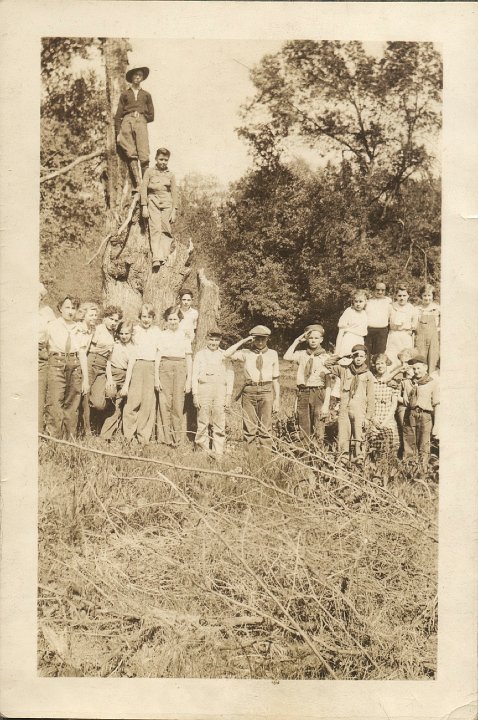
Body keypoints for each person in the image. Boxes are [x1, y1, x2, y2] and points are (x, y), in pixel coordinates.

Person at [224, 326, 280, 448]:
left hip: (266, 390)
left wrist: (277, 399)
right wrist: (243, 341)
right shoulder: (246, 353)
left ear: (267, 339)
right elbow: (226, 354)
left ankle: (265, 459)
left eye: (263, 339)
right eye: (257, 339)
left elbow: (276, 379)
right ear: (252, 340)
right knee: (249, 427)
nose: (260, 342)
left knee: (265, 427)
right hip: (249, 391)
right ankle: (250, 460)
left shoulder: (273, 354)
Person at [45, 296, 89, 438]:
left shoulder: (79, 328)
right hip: (56, 363)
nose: (70, 311)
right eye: (67, 307)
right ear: (60, 308)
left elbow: (82, 353)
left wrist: (86, 380)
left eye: (73, 308)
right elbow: (44, 345)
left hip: (74, 364)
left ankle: (70, 439)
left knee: (72, 403)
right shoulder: (52, 325)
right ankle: (54, 439)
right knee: (55, 402)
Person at [283, 324, 331, 445]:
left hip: (318, 393)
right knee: (303, 423)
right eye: (311, 338)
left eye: (316, 338)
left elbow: (329, 383)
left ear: (321, 340)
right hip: (303, 392)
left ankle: (318, 454)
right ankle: (305, 455)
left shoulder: (326, 357)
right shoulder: (301, 354)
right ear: (307, 339)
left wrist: (326, 404)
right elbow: (286, 357)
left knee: (319, 424)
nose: (313, 340)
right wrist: (296, 341)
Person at [327, 345, 375, 461]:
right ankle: (343, 459)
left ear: (365, 358)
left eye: (361, 356)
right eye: (356, 355)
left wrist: (368, 417)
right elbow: (327, 364)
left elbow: (371, 397)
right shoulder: (344, 370)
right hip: (345, 408)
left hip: (360, 410)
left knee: (359, 435)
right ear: (352, 356)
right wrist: (342, 356)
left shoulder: (368, 375)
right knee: (343, 434)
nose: (358, 358)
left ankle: (358, 459)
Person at [122, 304, 161, 445]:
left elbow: (158, 354)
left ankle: (143, 437)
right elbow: (131, 353)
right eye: (144, 316)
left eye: (149, 317)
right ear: (140, 317)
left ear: (153, 318)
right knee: (133, 401)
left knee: (147, 404)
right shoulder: (135, 331)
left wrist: (156, 377)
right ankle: (128, 436)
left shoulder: (157, 332)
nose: (146, 320)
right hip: (137, 365)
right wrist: (127, 382)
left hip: (151, 366)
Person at [192, 330, 234, 457]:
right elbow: (194, 375)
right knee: (203, 420)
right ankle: (202, 449)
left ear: (220, 340)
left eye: (216, 340)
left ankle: (218, 451)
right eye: (211, 340)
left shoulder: (225, 355)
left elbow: (230, 375)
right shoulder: (200, 355)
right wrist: (195, 394)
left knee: (219, 420)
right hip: (204, 388)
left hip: (220, 389)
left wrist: (228, 395)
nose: (213, 343)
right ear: (206, 339)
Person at [156, 306, 193, 447]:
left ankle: (177, 439)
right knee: (164, 402)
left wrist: (188, 380)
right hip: (164, 367)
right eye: (170, 319)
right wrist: (156, 378)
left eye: (175, 319)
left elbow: (189, 358)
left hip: (180, 367)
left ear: (180, 320)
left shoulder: (184, 336)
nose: (173, 322)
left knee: (178, 403)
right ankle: (164, 438)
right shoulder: (162, 334)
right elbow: (158, 356)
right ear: (166, 320)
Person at [84, 305, 123, 434]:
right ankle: (86, 430)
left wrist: (110, 378)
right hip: (91, 362)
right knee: (83, 395)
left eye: (116, 320)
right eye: (111, 319)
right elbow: (86, 347)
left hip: (102, 367)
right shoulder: (97, 329)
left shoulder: (113, 333)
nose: (113, 322)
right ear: (105, 318)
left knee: (100, 403)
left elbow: (109, 359)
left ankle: (95, 422)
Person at [115, 65, 154, 190]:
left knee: (144, 153)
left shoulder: (146, 95)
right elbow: (118, 115)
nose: (137, 77)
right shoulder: (125, 94)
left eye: (140, 75)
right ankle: (138, 185)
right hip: (127, 121)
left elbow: (152, 115)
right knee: (131, 152)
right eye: (135, 75)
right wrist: (117, 133)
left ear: (142, 78)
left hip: (140, 122)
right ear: (131, 77)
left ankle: (146, 186)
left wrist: (141, 117)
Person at [401, 355, 440, 472]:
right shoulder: (408, 383)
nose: (416, 371)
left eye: (419, 368)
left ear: (426, 367)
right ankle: (408, 470)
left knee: (424, 444)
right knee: (408, 442)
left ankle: (422, 471)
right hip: (411, 414)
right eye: (414, 369)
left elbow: (436, 403)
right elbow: (405, 400)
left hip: (425, 415)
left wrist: (436, 425)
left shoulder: (432, 383)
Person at [140, 148, 178, 269]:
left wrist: (174, 210)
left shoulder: (170, 175)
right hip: (153, 201)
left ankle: (164, 256)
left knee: (166, 229)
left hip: (167, 203)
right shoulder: (149, 172)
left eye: (166, 160)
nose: (163, 162)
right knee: (155, 228)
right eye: (161, 159)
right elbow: (144, 188)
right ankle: (156, 256)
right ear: (156, 159)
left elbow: (174, 193)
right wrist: (144, 206)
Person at [100, 321, 136, 440]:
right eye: (121, 333)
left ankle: (111, 435)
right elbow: (108, 362)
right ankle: (104, 432)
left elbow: (130, 367)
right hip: (112, 374)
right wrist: (110, 379)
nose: (124, 336)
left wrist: (126, 385)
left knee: (120, 405)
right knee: (110, 401)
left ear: (131, 334)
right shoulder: (114, 344)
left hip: (125, 376)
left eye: (127, 333)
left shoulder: (133, 348)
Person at [367, 353, 399, 461]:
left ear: (386, 364)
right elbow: (368, 401)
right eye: (377, 364)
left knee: (392, 444)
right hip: (374, 415)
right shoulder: (371, 380)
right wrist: (373, 418)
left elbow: (394, 404)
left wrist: (385, 421)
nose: (380, 366)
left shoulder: (393, 381)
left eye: (382, 363)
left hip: (388, 416)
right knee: (374, 445)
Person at [75, 302, 99, 435]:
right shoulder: (79, 329)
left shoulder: (91, 329)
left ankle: (86, 429)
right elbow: (81, 353)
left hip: (83, 361)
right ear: (83, 315)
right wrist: (85, 379)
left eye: (96, 315)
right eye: (91, 315)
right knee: (80, 394)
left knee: (85, 396)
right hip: (77, 363)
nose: (94, 317)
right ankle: (82, 430)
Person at [385, 285, 418, 365]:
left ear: (408, 296)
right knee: (392, 356)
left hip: (405, 336)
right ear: (396, 296)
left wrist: (409, 330)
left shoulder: (412, 308)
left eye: (404, 295)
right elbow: (386, 320)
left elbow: (414, 324)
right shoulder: (391, 307)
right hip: (393, 335)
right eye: (399, 295)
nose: (402, 298)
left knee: (406, 357)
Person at [39, 283, 56, 432]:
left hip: (41, 352)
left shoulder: (47, 311)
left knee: (40, 392)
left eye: (38, 295)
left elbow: (54, 334)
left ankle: (38, 432)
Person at [335, 290, 368, 357]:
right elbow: (341, 331)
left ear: (365, 302)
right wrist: (337, 350)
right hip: (349, 339)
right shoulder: (349, 311)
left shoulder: (365, 313)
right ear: (353, 302)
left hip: (360, 340)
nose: (358, 304)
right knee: (346, 358)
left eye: (360, 301)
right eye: (356, 301)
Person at [415, 283, 440, 373]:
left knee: (433, 358)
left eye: (429, 295)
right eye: (424, 295)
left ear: (433, 296)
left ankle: (432, 377)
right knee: (420, 358)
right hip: (420, 338)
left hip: (433, 338)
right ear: (421, 296)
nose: (427, 298)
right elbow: (414, 324)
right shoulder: (417, 309)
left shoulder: (437, 309)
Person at [365, 281, 392, 356]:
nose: (380, 292)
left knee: (380, 354)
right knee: (367, 352)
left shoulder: (389, 301)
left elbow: (391, 316)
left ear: (385, 291)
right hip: (368, 330)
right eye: (377, 290)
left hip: (382, 331)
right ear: (374, 290)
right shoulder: (368, 301)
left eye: (382, 290)